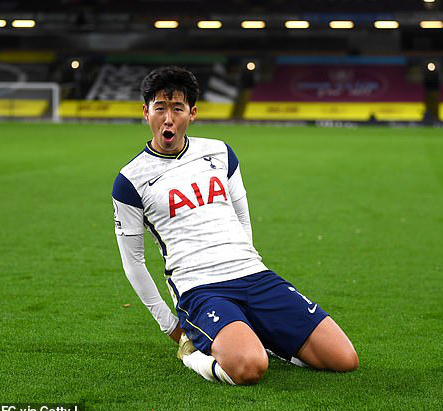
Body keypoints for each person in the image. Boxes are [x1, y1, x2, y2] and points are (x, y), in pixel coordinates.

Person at [112, 66, 358, 385]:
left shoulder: (220, 152)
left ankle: (262, 334)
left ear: (193, 112)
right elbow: (133, 263)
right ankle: (194, 356)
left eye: (178, 108)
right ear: (146, 112)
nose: (168, 119)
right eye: (160, 108)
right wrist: (171, 326)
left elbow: (242, 218)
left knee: (343, 359)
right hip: (201, 289)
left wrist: (249, 263)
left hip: (253, 275)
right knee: (250, 367)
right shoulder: (130, 180)